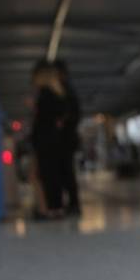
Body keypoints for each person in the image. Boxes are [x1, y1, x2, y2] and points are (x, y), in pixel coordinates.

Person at [30, 60, 68, 219]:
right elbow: (60, 119)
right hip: (55, 140)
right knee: (54, 174)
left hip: (44, 140)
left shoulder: (44, 94)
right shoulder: (59, 94)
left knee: (45, 174)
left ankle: (48, 209)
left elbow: (40, 120)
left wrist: (34, 107)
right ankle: (56, 207)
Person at [52, 59, 82, 215]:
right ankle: (72, 203)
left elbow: (74, 115)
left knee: (66, 171)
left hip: (65, 139)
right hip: (66, 138)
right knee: (66, 171)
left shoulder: (65, 91)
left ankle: (73, 203)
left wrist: (62, 123)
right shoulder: (65, 89)